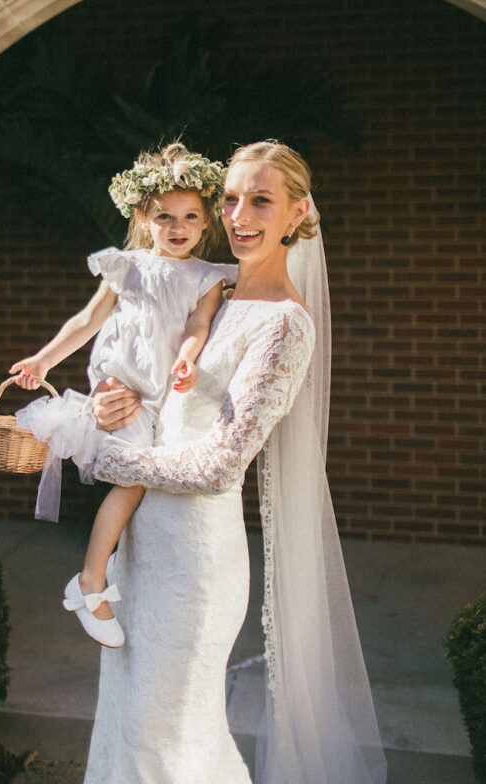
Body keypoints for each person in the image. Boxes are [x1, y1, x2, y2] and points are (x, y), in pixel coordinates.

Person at [83, 140, 387, 784]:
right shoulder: (207, 286)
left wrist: (116, 458)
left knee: (162, 735)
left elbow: (220, 466)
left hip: (195, 559)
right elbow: (147, 383)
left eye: (261, 200)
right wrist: (106, 408)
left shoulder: (283, 325)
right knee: (125, 724)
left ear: (299, 213)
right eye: (229, 199)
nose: (239, 215)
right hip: (141, 549)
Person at [9, 143, 236, 647]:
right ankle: (90, 579)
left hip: (168, 395)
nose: (178, 227)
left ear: (205, 224)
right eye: (164, 216)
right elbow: (87, 320)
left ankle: (115, 565)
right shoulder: (125, 266)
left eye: (190, 217)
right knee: (132, 481)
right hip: (125, 388)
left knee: (155, 486)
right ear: (142, 216)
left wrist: (189, 355)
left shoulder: (207, 277)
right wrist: (43, 359)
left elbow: (199, 324)